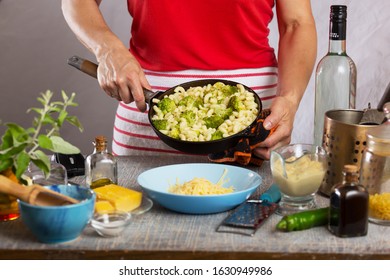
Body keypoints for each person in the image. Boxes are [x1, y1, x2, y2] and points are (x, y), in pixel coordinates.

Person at [61, 0, 317, 159]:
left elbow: (296, 23)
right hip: (146, 115)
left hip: (251, 132)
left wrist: (290, 101)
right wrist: (107, 49)